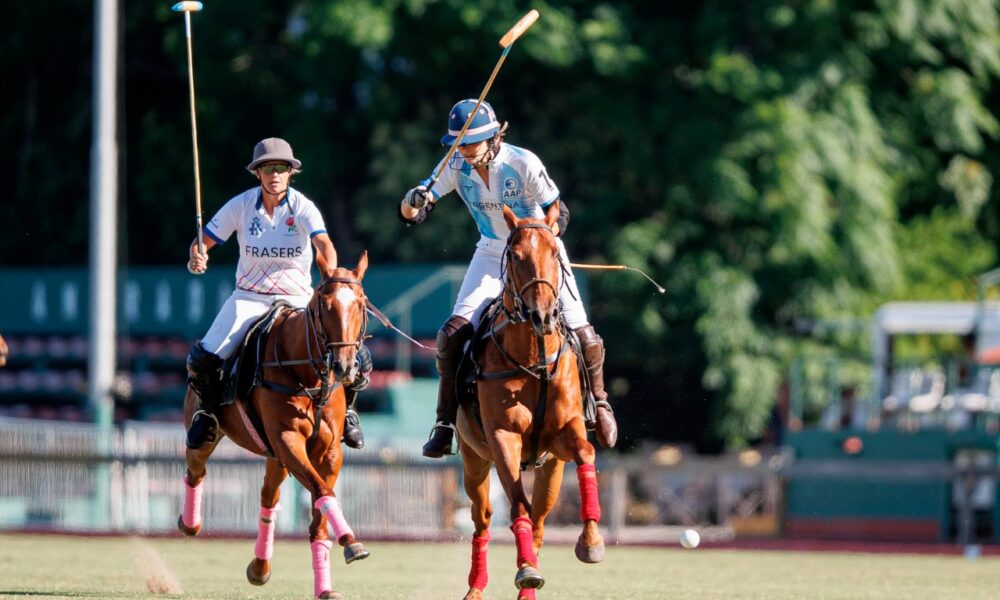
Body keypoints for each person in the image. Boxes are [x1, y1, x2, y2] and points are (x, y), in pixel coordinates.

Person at [399, 99, 618, 458]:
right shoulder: (455, 163)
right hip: (491, 253)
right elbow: (414, 213)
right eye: (459, 144)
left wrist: (544, 239)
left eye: (470, 143)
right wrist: (413, 200)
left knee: (583, 331)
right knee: (451, 334)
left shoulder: (522, 162)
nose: (464, 151)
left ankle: (601, 402)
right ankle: (444, 423)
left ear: (493, 138)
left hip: (536, 251)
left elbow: (558, 209)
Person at [184, 137, 369, 450]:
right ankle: (208, 414)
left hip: (296, 299)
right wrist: (197, 255)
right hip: (249, 298)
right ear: (258, 172)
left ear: (290, 172)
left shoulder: (302, 207)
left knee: (356, 355)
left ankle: (348, 411)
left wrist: (331, 273)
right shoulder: (241, 206)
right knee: (203, 358)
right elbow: (203, 241)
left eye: (281, 168)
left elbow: (324, 244)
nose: (275, 174)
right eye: (268, 168)